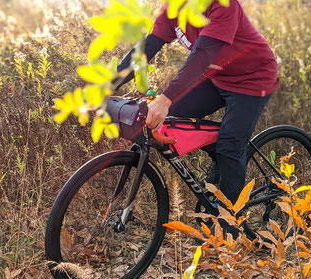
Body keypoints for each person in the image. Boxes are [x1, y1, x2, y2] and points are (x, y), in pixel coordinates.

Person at [116, 0, 279, 205]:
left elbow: (201, 57)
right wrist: (108, 85)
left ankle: (231, 223)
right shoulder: (173, 8)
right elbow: (148, 47)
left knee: (229, 146)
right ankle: (223, 161)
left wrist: (164, 100)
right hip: (217, 76)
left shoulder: (223, 5)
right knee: (174, 119)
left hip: (253, 79)